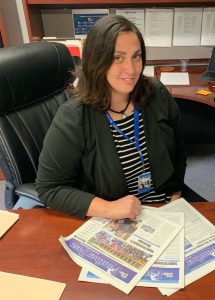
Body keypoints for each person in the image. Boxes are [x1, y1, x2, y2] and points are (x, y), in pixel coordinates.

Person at [36, 14, 205, 220]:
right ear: (97, 61)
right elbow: (49, 188)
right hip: (114, 215)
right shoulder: (74, 117)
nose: (132, 69)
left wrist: (176, 192)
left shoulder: (157, 94)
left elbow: (179, 150)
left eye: (136, 55)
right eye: (118, 57)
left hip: (168, 202)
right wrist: (108, 209)